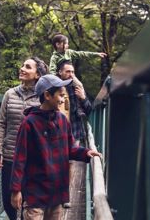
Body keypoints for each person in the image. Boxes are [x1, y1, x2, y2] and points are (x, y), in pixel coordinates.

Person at [10, 74, 101, 220]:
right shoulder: (29, 123)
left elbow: (70, 149)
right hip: (35, 195)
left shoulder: (62, 120)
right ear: (47, 95)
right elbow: (20, 158)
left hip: (56, 193)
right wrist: (16, 190)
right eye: (60, 95)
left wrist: (86, 152)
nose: (63, 99)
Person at [0, 57, 48, 220]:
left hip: (32, 159)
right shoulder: (9, 94)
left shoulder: (42, 98)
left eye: (27, 67)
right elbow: (1, 123)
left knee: (28, 202)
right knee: (8, 201)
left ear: (37, 74)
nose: (22, 68)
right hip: (10, 156)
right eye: (23, 65)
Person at [57, 60, 92, 208]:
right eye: (67, 72)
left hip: (74, 132)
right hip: (55, 132)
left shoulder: (77, 88)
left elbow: (89, 110)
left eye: (72, 72)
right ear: (60, 72)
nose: (71, 74)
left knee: (69, 163)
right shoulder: (54, 88)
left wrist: (83, 98)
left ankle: (65, 196)